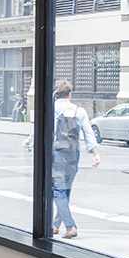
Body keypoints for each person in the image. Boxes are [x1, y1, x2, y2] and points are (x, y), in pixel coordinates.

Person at [50, 78, 101, 240]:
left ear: (56, 94)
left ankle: (70, 226)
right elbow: (88, 132)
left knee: (58, 191)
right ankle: (55, 225)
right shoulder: (79, 111)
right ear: (70, 94)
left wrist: (28, 143)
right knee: (65, 190)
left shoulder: (51, 109)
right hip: (73, 155)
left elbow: (38, 131)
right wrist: (95, 153)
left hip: (56, 154)